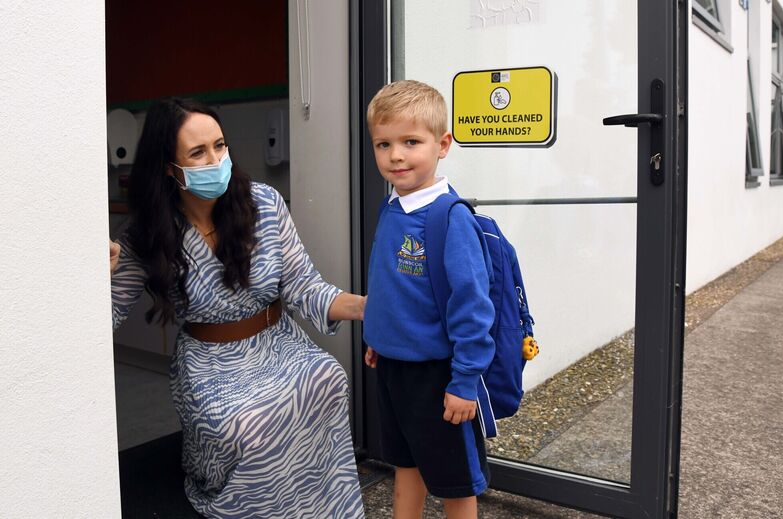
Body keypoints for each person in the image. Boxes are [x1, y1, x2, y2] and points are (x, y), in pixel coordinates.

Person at [109, 98, 365, 518]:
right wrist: (94, 280)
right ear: (167, 168)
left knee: (326, 376)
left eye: (220, 145)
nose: (215, 159)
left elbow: (304, 284)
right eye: (198, 152)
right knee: (248, 422)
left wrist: (367, 307)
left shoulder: (263, 202)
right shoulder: (148, 236)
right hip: (210, 364)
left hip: (279, 344)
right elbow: (104, 319)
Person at [362, 80, 496, 519]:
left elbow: (473, 309)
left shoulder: (448, 218)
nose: (395, 155)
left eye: (410, 142)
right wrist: (380, 338)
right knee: (406, 462)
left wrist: (463, 382)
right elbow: (391, 287)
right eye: (383, 144)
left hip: (439, 378)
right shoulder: (393, 208)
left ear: (442, 145)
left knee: (455, 481)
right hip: (394, 369)